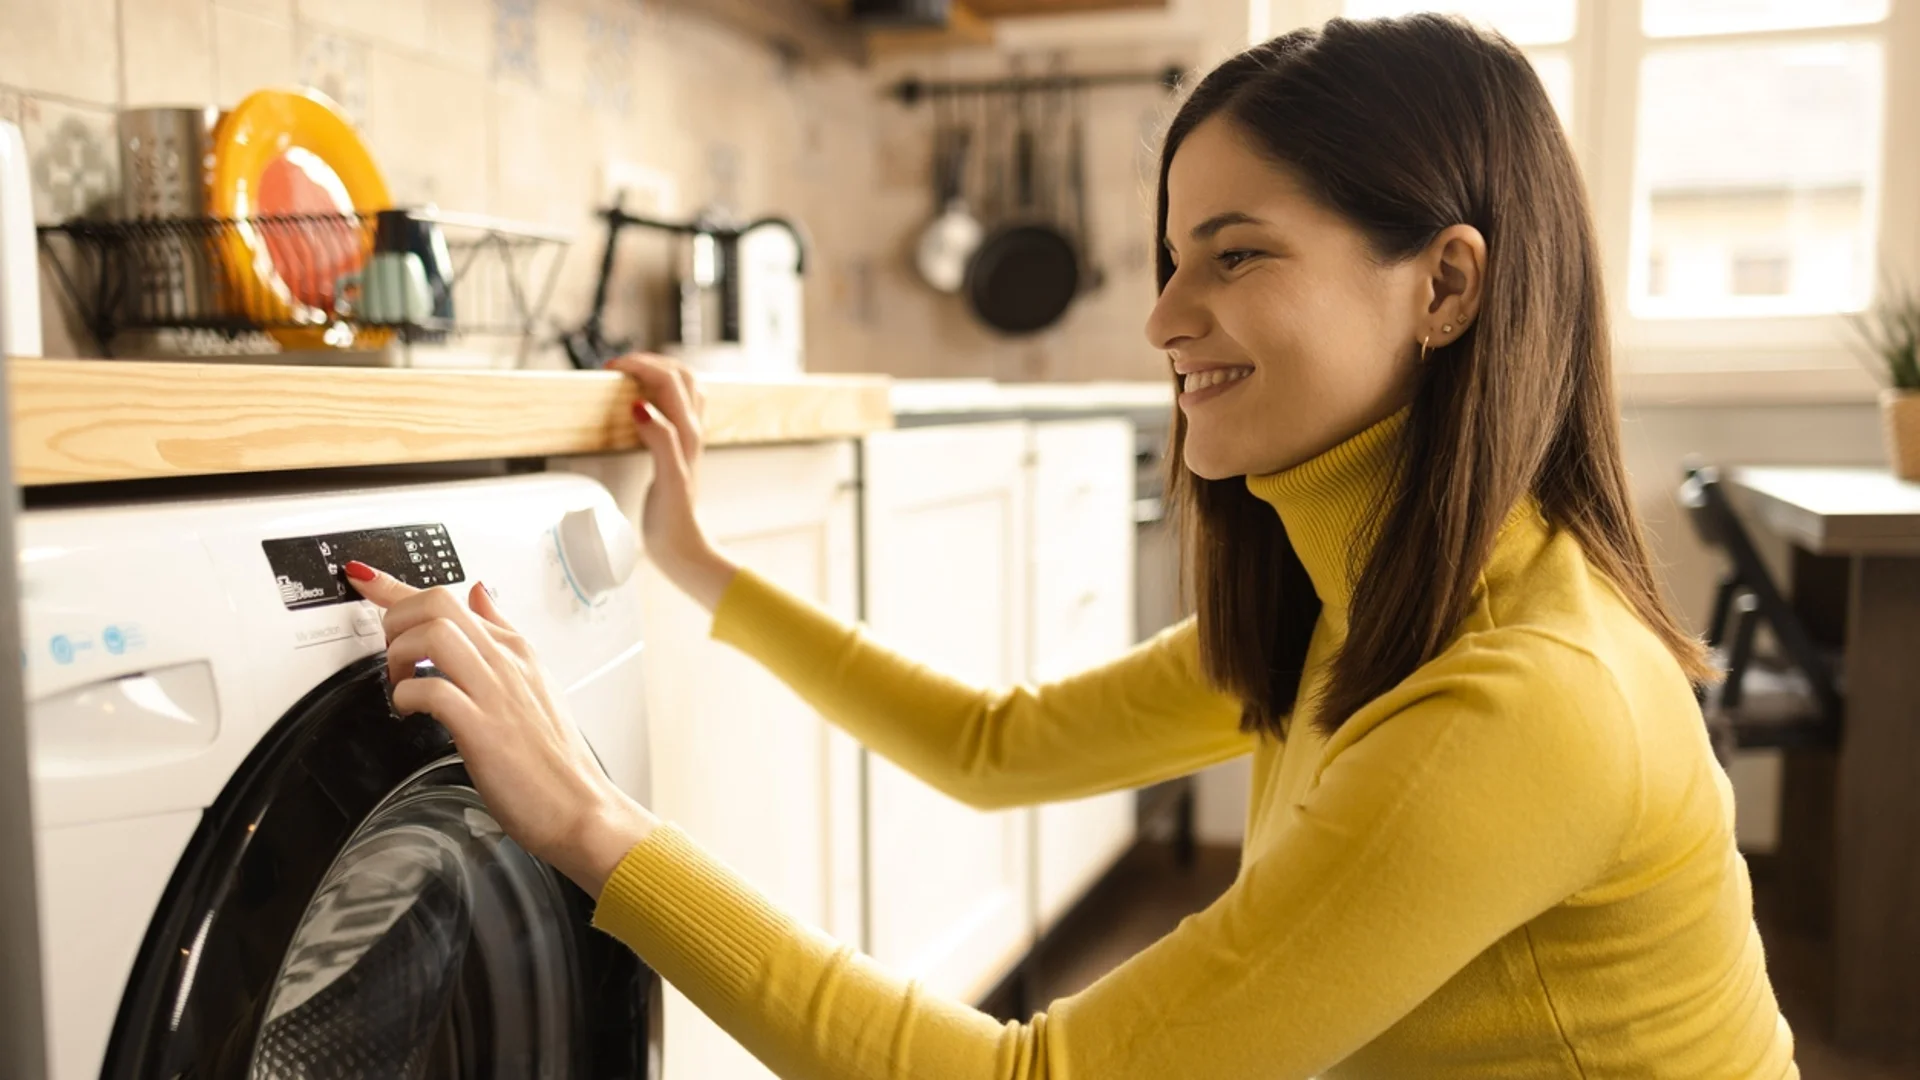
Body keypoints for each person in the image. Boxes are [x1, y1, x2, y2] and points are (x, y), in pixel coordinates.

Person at [345, 13, 1798, 1078]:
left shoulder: (1527, 696)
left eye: (1235, 255)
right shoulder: (1355, 600)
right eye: (1173, 258)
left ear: (1446, 285)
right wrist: (702, 564)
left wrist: (592, 825)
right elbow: (997, 745)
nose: (1166, 319)